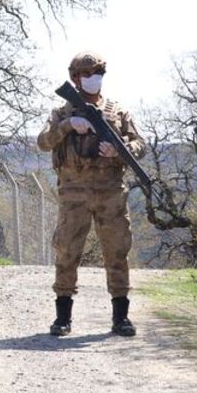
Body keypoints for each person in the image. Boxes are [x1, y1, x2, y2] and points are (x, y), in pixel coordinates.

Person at [36, 51, 146, 337]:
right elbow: (43, 142)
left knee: (117, 251)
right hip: (74, 192)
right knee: (67, 251)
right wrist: (68, 125)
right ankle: (63, 317)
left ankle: (121, 317)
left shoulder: (117, 111)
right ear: (75, 79)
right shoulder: (62, 113)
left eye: (97, 73)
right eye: (87, 74)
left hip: (110, 192)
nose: (93, 79)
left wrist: (120, 149)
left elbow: (139, 145)